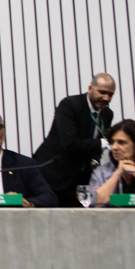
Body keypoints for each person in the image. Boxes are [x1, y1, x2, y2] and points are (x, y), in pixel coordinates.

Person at [33, 73, 116, 207]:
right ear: (90, 89)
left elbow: (95, 146)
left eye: (110, 94)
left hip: (79, 179)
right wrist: (103, 143)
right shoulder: (70, 105)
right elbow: (70, 143)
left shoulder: (107, 114)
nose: (106, 98)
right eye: (102, 92)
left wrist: (95, 161)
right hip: (54, 174)